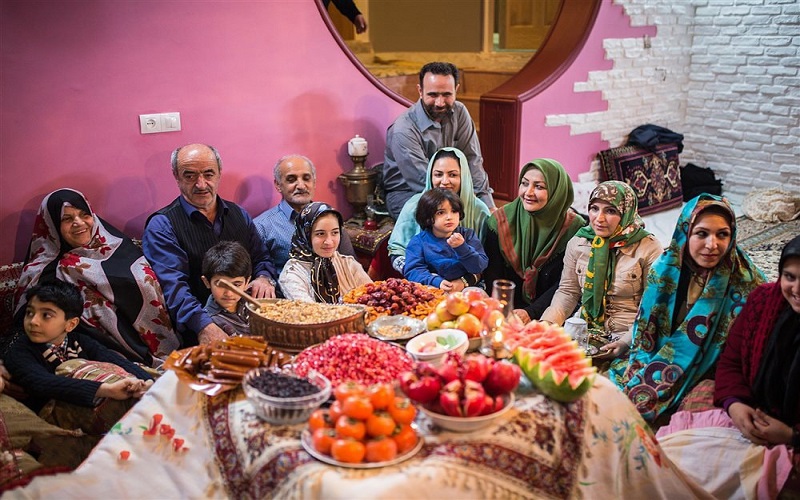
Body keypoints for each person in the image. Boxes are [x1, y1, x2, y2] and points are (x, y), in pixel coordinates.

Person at [655, 235, 800, 498]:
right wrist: (736, 404)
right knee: (666, 469)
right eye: (790, 277)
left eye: (722, 235)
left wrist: (791, 435)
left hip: (790, 434)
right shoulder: (765, 301)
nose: (797, 289)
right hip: (753, 411)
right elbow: (731, 360)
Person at [608, 194, 766, 422]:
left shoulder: (748, 283)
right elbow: (645, 327)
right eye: (702, 234)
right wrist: (624, 342)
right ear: (685, 233)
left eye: (723, 234)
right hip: (658, 359)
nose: (712, 245)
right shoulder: (663, 272)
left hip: (712, 372)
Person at [13, 188, 179, 367]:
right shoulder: (43, 273)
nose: (79, 223)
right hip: (98, 358)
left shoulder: (118, 246)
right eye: (67, 219)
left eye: (84, 214)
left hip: (166, 346)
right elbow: (31, 327)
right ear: (51, 225)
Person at [143, 144, 278, 346]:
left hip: (249, 319)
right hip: (200, 327)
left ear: (219, 173)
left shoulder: (239, 214)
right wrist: (204, 326)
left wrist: (264, 278)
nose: (201, 184)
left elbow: (261, 258)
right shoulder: (162, 225)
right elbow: (174, 287)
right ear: (176, 177)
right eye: (190, 176)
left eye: (208, 174)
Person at [540, 181, 663, 359]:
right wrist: (547, 323)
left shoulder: (649, 248)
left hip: (628, 334)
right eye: (594, 208)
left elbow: (652, 305)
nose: (599, 218)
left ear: (626, 212)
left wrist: (625, 342)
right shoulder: (579, 242)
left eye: (610, 211)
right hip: (584, 330)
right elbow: (568, 292)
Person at [5, 281, 153, 414]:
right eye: (29, 313)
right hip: (51, 413)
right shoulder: (19, 350)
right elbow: (41, 382)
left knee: (147, 381)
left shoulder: (80, 341)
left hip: (89, 403)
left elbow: (115, 360)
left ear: (71, 324)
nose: (33, 321)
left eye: (46, 315)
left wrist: (147, 382)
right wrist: (107, 390)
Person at [383, 62, 494, 218]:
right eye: (433, 95)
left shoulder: (460, 112)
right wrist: (466, 206)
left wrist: (487, 204)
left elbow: (472, 161)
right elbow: (426, 181)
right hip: (409, 194)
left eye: (447, 95)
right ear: (420, 91)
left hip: (452, 187)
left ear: (456, 90)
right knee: (447, 222)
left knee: (488, 220)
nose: (440, 103)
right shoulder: (403, 129)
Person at [482, 159, 586, 323]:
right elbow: (492, 276)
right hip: (504, 314)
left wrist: (531, 312)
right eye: (524, 183)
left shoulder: (575, 229)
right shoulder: (500, 222)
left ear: (556, 191)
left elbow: (567, 285)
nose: (528, 192)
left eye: (539, 186)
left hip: (554, 315)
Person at [387, 147, 491, 277]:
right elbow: (397, 253)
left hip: (468, 283)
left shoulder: (479, 211)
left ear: (463, 176)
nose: (445, 181)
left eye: (453, 175)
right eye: (438, 174)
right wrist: (427, 280)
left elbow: (484, 262)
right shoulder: (414, 205)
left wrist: (464, 282)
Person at [253, 154, 355, 276]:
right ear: (278, 185)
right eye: (291, 180)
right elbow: (257, 270)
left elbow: (350, 264)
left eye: (306, 178)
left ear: (314, 182)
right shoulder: (262, 226)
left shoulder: (330, 217)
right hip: (289, 293)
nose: (301, 186)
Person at [279, 202, 371, 303]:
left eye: (335, 232)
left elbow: (373, 298)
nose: (329, 241)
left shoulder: (348, 264)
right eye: (320, 234)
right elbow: (311, 314)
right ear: (305, 235)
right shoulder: (292, 274)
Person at [403, 189, 488, 292]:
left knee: (477, 295)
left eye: (454, 211)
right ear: (427, 217)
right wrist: (436, 281)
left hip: (467, 287)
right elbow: (413, 270)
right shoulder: (418, 242)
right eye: (441, 212)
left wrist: (462, 247)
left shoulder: (467, 235)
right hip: (433, 287)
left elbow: (479, 267)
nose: (449, 217)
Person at [201, 241, 252, 337]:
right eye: (221, 285)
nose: (229, 293)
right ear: (207, 282)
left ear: (247, 282)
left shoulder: (256, 303)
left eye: (236, 285)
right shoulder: (209, 322)